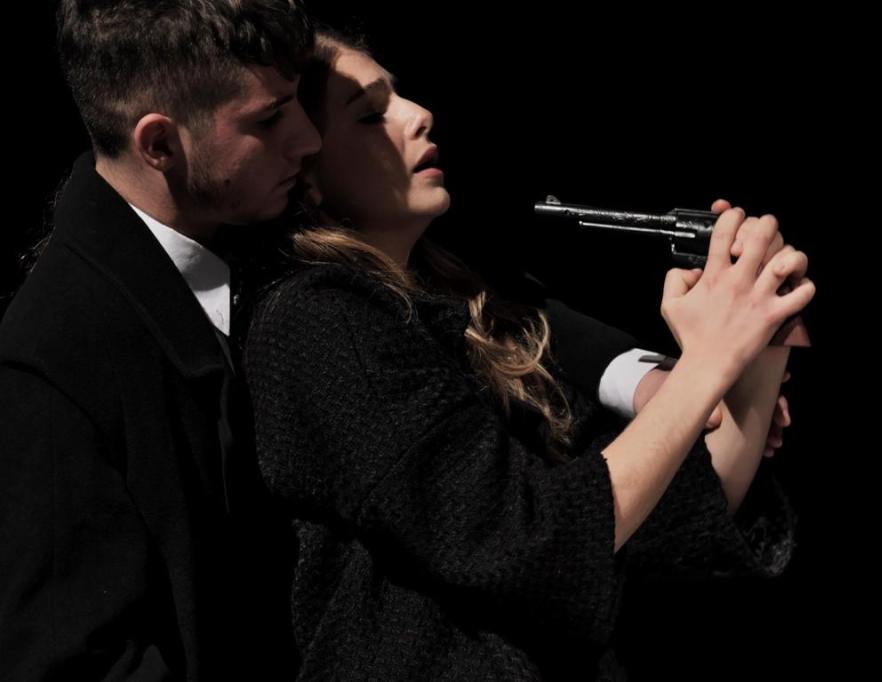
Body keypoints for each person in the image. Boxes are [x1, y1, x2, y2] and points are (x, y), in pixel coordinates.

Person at [241, 30, 815, 680]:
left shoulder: (482, 315)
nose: (419, 114)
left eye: (400, 95)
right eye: (372, 114)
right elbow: (524, 541)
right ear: (306, 171)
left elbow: (663, 522)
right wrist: (708, 363)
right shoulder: (319, 321)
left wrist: (761, 324)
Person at [0, 2, 322, 679]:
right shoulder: (54, 354)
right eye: (269, 120)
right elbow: (73, 660)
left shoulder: (258, 232)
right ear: (160, 145)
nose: (308, 138)